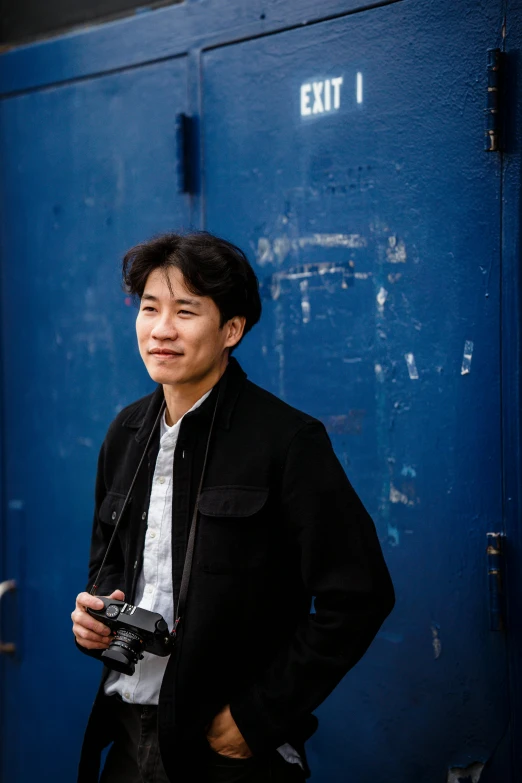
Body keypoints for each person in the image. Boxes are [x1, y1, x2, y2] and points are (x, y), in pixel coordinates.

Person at [71, 231, 395, 783]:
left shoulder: (286, 441)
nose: (161, 329)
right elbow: (108, 569)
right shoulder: (124, 433)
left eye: (186, 311)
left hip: (225, 752)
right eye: (150, 308)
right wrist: (94, 620)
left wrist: (258, 716)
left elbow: (359, 596)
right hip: (125, 736)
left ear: (231, 330)